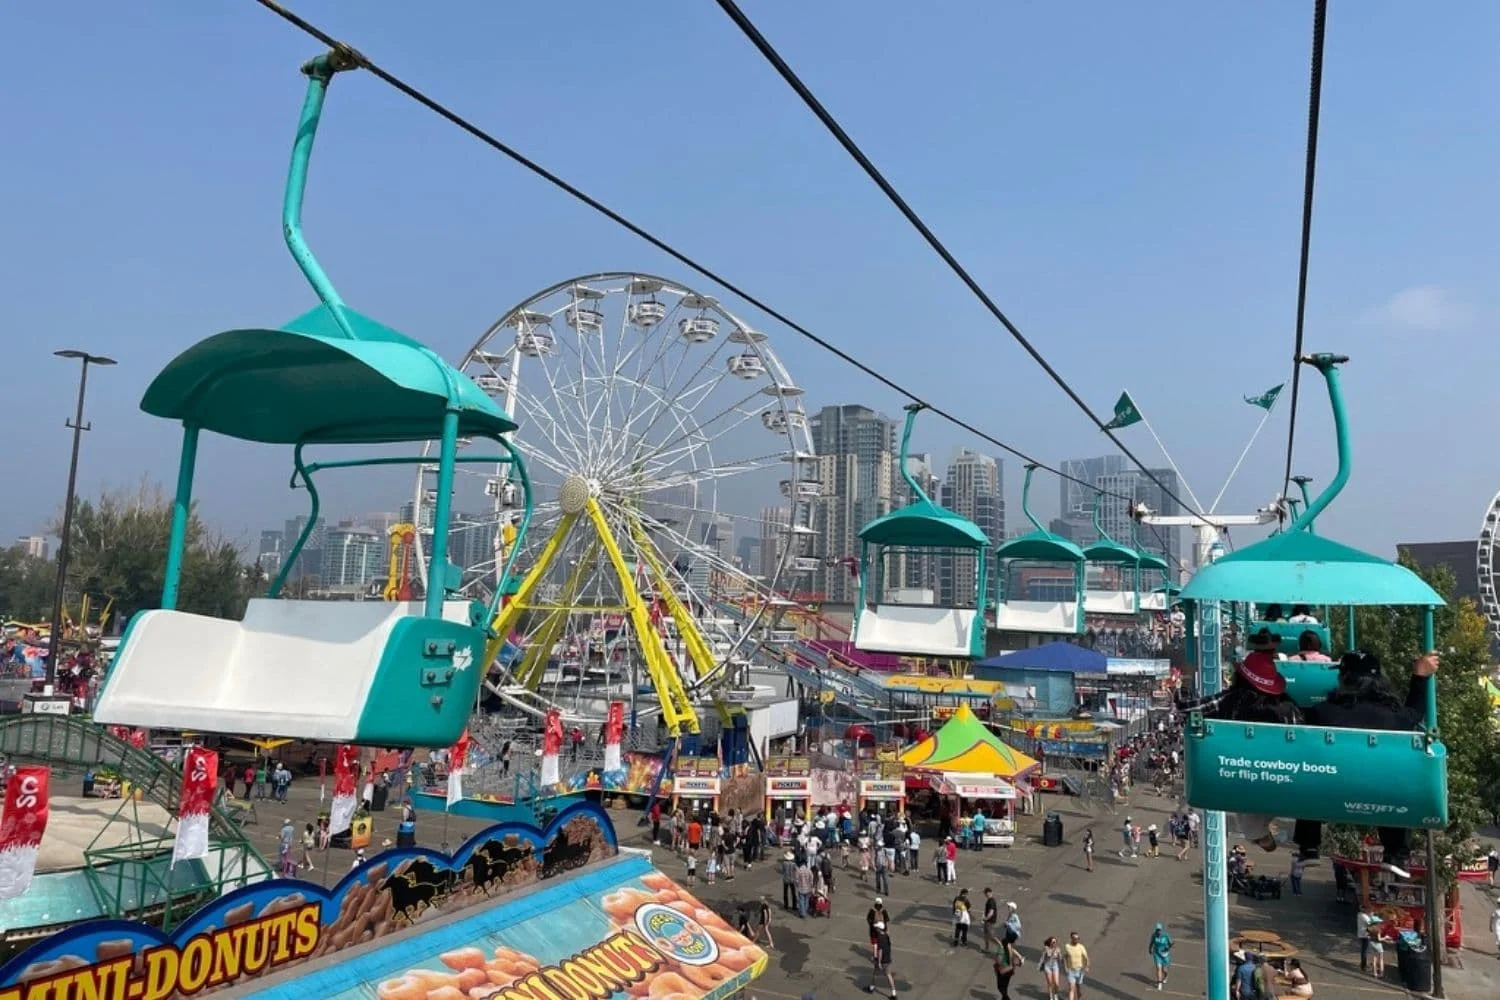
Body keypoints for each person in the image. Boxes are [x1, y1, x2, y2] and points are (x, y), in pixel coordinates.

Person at [1293, 650, 1440, 871]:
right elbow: (1415, 712)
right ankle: (1395, 853)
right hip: (1378, 796)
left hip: (1328, 794)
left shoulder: (1322, 713)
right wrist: (1419, 677)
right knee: (1395, 782)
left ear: (1344, 678)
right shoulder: (1397, 718)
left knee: (1310, 774)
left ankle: (1309, 845)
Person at [1180, 629, 1302, 850]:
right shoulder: (1287, 708)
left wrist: (1183, 685)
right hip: (1283, 775)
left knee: (1249, 816)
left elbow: (1187, 708)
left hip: (1240, 773)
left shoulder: (1230, 701)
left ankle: (1260, 835)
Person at [865, 921, 897, 999]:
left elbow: (880, 951)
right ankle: (893, 993)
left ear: (879, 929)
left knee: (875, 973)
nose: (876, 928)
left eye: (876, 927)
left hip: (883, 961)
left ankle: (871, 988)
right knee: (888, 975)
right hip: (888, 959)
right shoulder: (886, 935)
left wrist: (879, 962)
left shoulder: (880, 938)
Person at [993, 930, 1021, 1000]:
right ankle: (1004, 998)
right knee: (1005, 986)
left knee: (1000, 987)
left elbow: (998, 961)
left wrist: (996, 963)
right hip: (1010, 970)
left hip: (1002, 969)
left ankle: (1006, 998)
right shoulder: (1010, 946)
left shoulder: (1001, 948)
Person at [1062, 931, 1089, 1000]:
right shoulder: (1067, 947)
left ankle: (1079, 994)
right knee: (1071, 989)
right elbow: (1064, 957)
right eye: (1074, 938)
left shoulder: (1081, 947)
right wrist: (1065, 967)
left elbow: (1086, 957)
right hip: (1071, 971)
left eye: (1078, 938)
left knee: (1078, 986)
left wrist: (1087, 966)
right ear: (1071, 938)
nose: (1076, 940)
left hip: (1080, 971)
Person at [1147, 923, 1172, 991]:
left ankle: (1166, 976)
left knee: (1164, 970)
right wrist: (1149, 949)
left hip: (1165, 954)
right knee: (1158, 968)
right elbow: (1151, 943)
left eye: (1159, 930)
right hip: (1157, 953)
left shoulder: (1166, 936)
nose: (1158, 931)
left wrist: (1167, 948)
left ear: (1161, 930)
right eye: (1157, 930)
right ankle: (1159, 983)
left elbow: (1170, 944)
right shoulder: (1154, 935)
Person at [1039, 936, 1064, 1000]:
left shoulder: (1058, 949)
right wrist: (1054, 950)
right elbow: (1048, 955)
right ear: (1050, 943)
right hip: (1047, 966)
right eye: (1053, 942)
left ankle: (1055, 994)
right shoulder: (1046, 948)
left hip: (1055, 966)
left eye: (1055, 942)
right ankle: (1051, 995)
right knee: (1050, 982)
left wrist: (1059, 955)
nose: (1054, 943)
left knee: (1056, 983)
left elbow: (1060, 959)